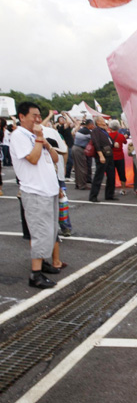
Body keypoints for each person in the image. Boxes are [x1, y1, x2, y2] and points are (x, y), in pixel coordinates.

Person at [9, 102, 67, 289]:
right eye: (34, 115)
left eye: (39, 116)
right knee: (40, 232)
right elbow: (33, 159)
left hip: (48, 190)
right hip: (35, 191)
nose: (38, 119)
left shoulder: (34, 136)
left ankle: (42, 263)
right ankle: (35, 274)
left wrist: (44, 141)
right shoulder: (19, 135)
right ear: (22, 116)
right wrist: (39, 139)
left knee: (50, 230)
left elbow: (55, 158)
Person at [89, 116, 117, 203]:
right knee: (99, 176)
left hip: (109, 154)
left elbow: (109, 141)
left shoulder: (104, 131)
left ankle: (109, 195)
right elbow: (96, 143)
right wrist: (101, 155)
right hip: (102, 154)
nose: (104, 121)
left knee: (111, 175)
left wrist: (113, 143)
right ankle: (93, 196)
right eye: (101, 119)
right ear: (98, 122)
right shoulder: (95, 131)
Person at [108, 120, 128, 195]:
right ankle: (123, 189)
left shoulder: (108, 136)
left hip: (111, 157)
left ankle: (111, 189)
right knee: (122, 173)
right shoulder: (121, 136)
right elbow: (125, 142)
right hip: (120, 157)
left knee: (111, 173)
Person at [72, 119, 93, 189]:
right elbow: (94, 139)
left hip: (75, 148)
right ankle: (82, 185)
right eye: (92, 125)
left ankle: (78, 184)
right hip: (79, 149)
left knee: (77, 167)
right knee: (82, 167)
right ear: (89, 125)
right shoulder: (87, 132)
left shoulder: (81, 130)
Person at [55, 112, 75, 180]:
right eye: (61, 119)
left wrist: (69, 115)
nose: (63, 120)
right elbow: (69, 122)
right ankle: (66, 176)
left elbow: (75, 123)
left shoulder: (67, 127)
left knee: (70, 161)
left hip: (70, 145)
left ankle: (67, 175)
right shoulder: (60, 127)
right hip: (66, 145)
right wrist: (65, 115)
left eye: (63, 119)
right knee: (69, 161)